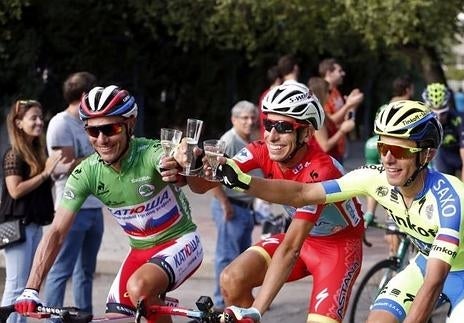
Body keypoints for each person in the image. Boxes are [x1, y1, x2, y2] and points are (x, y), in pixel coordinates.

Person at [217, 100, 464, 323]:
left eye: (399, 150)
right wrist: (244, 181)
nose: (387, 158)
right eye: (383, 146)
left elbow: (435, 281)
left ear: (426, 155)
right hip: (426, 262)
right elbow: (302, 193)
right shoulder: (373, 177)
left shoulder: (450, 198)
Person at [13, 85, 212, 323]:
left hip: (181, 242)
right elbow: (56, 232)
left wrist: (185, 160)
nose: (102, 139)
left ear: (130, 124)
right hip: (139, 252)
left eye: (111, 128)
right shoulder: (87, 172)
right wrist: (31, 289)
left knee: (139, 287)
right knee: (115, 319)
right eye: (93, 131)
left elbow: (171, 157)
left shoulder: (149, 153)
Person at [171, 81, 364, 322]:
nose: (272, 135)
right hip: (304, 242)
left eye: (283, 127)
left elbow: (291, 248)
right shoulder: (260, 149)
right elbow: (202, 186)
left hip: (337, 249)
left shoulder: (321, 170)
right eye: (268, 124)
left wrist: (257, 310)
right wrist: (191, 165)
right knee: (232, 279)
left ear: (305, 133)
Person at [43, 72, 104, 315]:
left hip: (94, 207)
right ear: (84, 96)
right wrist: (101, 154)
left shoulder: (87, 122)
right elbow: (67, 165)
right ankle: (53, 318)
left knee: (85, 271)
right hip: (72, 207)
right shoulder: (61, 123)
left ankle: (83, 316)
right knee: (61, 269)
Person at [0, 100, 66, 323]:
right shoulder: (13, 154)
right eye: (33, 118)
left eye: (40, 117)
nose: (39, 122)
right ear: (18, 123)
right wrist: (46, 173)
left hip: (35, 225)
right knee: (16, 285)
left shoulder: (35, 153)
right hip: (17, 227)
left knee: (28, 289)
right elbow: (15, 190)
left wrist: (57, 170)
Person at [210, 100, 259, 310]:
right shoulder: (228, 141)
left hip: (246, 208)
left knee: (243, 258)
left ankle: (239, 298)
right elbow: (211, 176)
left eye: (252, 118)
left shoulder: (250, 140)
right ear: (234, 120)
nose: (249, 122)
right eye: (244, 118)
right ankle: (222, 301)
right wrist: (223, 203)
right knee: (227, 257)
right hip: (230, 206)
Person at [364, 75, 414, 254]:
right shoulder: (409, 107)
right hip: (401, 153)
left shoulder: (384, 107)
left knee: (378, 177)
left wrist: (370, 213)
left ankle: (393, 257)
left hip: (376, 145)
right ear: (408, 90)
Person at [422, 83, 464, 208]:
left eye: (443, 113)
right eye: (434, 114)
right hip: (445, 156)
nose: (439, 118)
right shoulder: (423, 121)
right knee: (441, 199)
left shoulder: (460, 121)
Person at [319, 58, 364, 163]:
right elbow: (329, 121)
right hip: (329, 152)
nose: (343, 73)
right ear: (329, 73)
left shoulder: (335, 91)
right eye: (339, 71)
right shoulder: (322, 94)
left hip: (339, 147)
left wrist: (352, 107)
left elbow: (344, 118)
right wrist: (348, 105)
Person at [307, 76, 355, 156]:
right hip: (324, 160)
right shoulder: (315, 115)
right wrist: (342, 131)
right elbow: (325, 146)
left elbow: (332, 125)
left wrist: (349, 109)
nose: (329, 95)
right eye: (328, 92)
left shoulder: (321, 112)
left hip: (332, 156)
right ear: (321, 93)